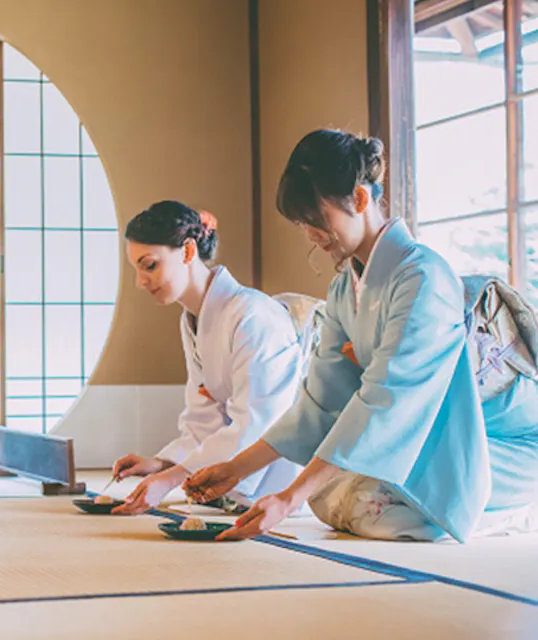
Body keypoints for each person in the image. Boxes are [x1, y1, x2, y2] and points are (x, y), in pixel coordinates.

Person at [186, 129, 538, 542]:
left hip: (500, 442)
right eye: (304, 225)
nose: (312, 236)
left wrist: (288, 498)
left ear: (359, 199)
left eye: (317, 221)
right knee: (330, 495)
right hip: (423, 433)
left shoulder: (425, 278)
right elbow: (319, 402)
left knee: (359, 500)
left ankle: (514, 509)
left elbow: (387, 399)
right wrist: (235, 469)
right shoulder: (343, 289)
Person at [109, 200, 305, 515]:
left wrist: (171, 478)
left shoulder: (253, 315)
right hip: (237, 480)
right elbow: (205, 416)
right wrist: (160, 464)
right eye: (137, 269)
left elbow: (259, 421)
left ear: (188, 251)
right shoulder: (192, 320)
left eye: (150, 265)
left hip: (279, 477)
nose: (140, 282)